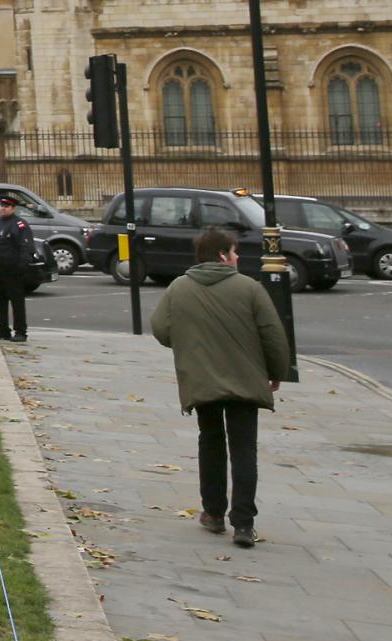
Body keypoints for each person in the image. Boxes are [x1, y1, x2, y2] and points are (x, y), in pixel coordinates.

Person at [150, 224, 292, 548]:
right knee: (244, 449)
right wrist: (276, 371)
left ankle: (213, 514)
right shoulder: (250, 289)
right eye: (234, 251)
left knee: (210, 442)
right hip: (244, 380)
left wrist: (190, 342)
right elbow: (273, 335)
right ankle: (243, 524)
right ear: (221, 255)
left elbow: (160, 329)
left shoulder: (178, 288)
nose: (238, 256)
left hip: (202, 379)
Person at [0, 190, 38, 342]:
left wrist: (22, 266)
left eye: (6, 206)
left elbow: (26, 247)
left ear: (13, 208)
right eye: (1, 206)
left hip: (12, 270)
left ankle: (20, 331)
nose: (3, 208)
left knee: (17, 302)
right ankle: (3, 329)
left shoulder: (19, 224)